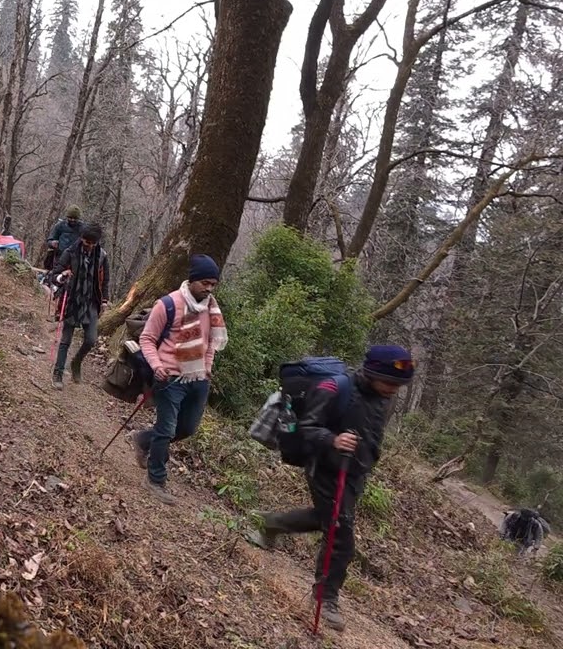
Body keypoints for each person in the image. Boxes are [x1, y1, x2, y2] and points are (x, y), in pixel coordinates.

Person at [252, 345, 416, 633]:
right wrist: (333, 439)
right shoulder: (334, 387)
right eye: (389, 382)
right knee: (341, 534)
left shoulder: (382, 397)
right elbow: (306, 427)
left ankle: (270, 523)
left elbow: (373, 433)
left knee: (327, 518)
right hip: (326, 466)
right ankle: (326, 597)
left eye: (398, 385)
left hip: (355, 471)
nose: (393, 389)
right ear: (371, 372)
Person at [127, 254, 228, 505]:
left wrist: (206, 368)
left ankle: (142, 439)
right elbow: (148, 339)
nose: (209, 288)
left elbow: (210, 343)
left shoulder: (211, 308)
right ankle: (156, 479)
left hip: (198, 378)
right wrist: (157, 365)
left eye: (213, 284)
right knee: (167, 428)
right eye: (205, 283)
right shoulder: (168, 304)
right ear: (192, 280)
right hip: (170, 377)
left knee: (187, 428)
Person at [47, 223, 110, 390]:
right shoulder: (70, 253)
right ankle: (58, 373)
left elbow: (106, 281)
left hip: (91, 302)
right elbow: (54, 276)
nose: (89, 246)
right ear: (81, 238)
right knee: (65, 340)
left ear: (97, 242)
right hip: (72, 300)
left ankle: (76, 363)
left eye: (92, 243)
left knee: (90, 340)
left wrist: (104, 301)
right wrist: (63, 276)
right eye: (86, 242)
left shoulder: (102, 256)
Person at [43, 206, 84, 274]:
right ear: (67, 217)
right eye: (70, 218)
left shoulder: (83, 228)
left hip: (75, 259)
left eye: (75, 218)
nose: (72, 220)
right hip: (59, 257)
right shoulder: (60, 226)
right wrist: (52, 243)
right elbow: (49, 240)